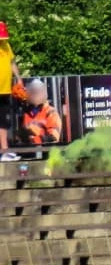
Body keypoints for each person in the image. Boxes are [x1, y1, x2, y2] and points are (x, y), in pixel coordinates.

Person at [16, 79, 61, 147]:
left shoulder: (50, 112)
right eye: (33, 92)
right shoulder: (26, 112)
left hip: (44, 149)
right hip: (27, 149)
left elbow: (54, 137)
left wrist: (34, 140)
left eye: (37, 92)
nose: (35, 94)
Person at [0, 22, 21, 161]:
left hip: (5, 90)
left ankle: (5, 151)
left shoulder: (6, 46)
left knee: (3, 122)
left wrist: (19, 79)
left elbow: (12, 63)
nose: (2, 40)